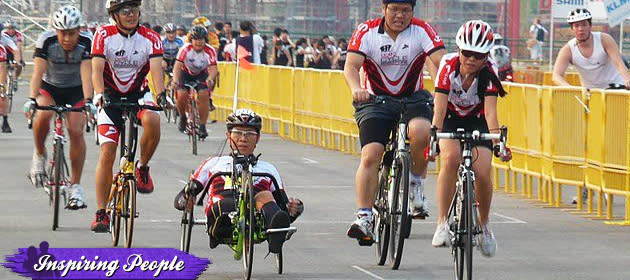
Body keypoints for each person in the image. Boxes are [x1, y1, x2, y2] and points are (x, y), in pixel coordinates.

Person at [344, 0, 446, 245]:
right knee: (371, 154)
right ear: (383, 9)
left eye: (406, 10)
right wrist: (357, 88)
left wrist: (447, 87)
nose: (400, 15)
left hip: (413, 98)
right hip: (375, 100)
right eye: (394, 9)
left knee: (421, 131)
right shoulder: (366, 32)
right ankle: (364, 216)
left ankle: (416, 184)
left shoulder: (422, 30)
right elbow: (351, 66)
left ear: (412, 11)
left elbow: (440, 61)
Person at [430, 20, 512, 258]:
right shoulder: (447, 67)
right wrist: (434, 138)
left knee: (484, 170)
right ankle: (442, 222)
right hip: (450, 118)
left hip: (478, 121)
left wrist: (499, 144)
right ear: (458, 50)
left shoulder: (490, 72)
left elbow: (490, 113)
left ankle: (484, 226)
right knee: (451, 158)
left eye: (478, 55)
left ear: (486, 56)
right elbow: (439, 110)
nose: (471, 59)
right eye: (467, 53)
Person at [173, 109, 304, 253]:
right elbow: (181, 197)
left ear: (258, 138)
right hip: (223, 205)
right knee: (224, 203)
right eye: (238, 132)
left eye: (250, 134)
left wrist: (294, 210)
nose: (243, 138)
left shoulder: (268, 169)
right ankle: (222, 228)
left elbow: (283, 207)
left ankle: (275, 236)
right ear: (228, 135)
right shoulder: (214, 163)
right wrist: (186, 199)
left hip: (257, 214)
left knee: (265, 196)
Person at [90, 0, 166, 232]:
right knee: (108, 152)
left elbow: (155, 69)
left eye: (134, 10)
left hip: (138, 94)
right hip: (110, 96)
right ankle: (102, 212)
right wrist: (99, 93)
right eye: (125, 11)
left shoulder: (150, 37)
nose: (132, 15)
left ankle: (142, 167)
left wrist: (161, 95)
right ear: (114, 14)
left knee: (153, 119)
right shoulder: (103, 35)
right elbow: (95, 69)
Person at [25, 5, 94, 210]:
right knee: (43, 115)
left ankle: (76, 186)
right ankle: (39, 154)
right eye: (62, 33)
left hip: (76, 90)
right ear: (56, 31)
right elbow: (38, 73)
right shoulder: (46, 40)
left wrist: (89, 102)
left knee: (75, 131)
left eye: (71, 33)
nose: (67, 38)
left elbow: (86, 74)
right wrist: (31, 98)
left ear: (79, 30)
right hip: (50, 88)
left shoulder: (86, 41)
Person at [552, 8, 630, 89]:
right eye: (576, 26)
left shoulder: (604, 39)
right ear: (572, 29)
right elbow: (557, 75)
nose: (580, 29)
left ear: (590, 26)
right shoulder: (568, 50)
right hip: (590, 92)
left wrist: (627, 79)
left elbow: (619, 62)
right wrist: (570, 88)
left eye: (584, 24)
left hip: (616, 86)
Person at [172, 25, 218, 139]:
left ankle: (202, 126)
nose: (198, 42)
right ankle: (182, 117)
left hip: (202, 74)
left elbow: (213, 69)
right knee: (182, 94)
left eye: (201, 39)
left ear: (205, 40)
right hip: (185, 73)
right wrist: (175, 80)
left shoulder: (210, 50)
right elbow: (177, 66)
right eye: (196, 39)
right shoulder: (185, 49)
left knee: (203, 95)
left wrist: (210, 79)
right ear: (191, 40)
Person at [0, 24, 20, 133]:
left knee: (2, 94)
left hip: (4, 62)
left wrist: (2, 86)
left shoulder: (3, 42)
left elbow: (16, 50)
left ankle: (5, 121)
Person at [2, 21, 24, 86]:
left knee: (19, 65)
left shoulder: (18, 34)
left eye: (13, 28)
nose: (11, 30)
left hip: (14, 51)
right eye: (9, 28)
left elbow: (19, 47)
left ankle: (15, 79)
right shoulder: (3, 34)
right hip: (5, 51)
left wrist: (20, 60)